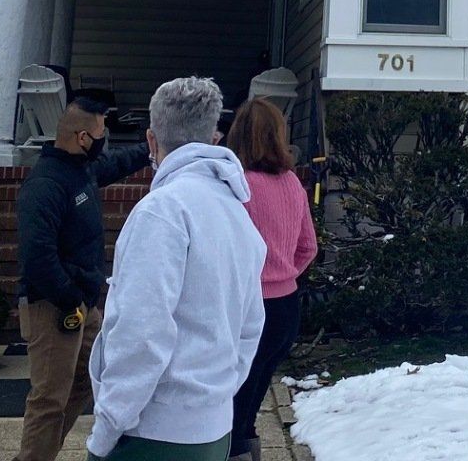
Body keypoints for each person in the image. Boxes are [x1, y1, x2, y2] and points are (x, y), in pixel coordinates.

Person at [88, 76, 267, 461]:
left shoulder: (161, 212)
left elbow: (140, 334)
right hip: (213, 427)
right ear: (214, 139)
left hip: (152, 433)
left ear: (152, 141)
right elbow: (250, 325)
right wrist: (215, 395)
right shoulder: (238, 215)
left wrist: (104, 432)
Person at [14, 95, 154, 461]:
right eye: (100, 133)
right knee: (49, 399)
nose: (104, 140)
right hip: (53, 306)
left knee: (85, 382)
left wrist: (151, 145)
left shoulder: (83, 170)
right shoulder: (46, 184)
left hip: (83, 304)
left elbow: (118, 162)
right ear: (81, 138)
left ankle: (43, 453)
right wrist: (68, 298)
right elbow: (36, 256)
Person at [225, 98, 318, 461]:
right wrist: (283, 276)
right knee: (252, 399)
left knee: (231, 406)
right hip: (286, 309)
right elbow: (308, 247)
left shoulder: (236, 186)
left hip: (248, 308)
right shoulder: (292, 183)